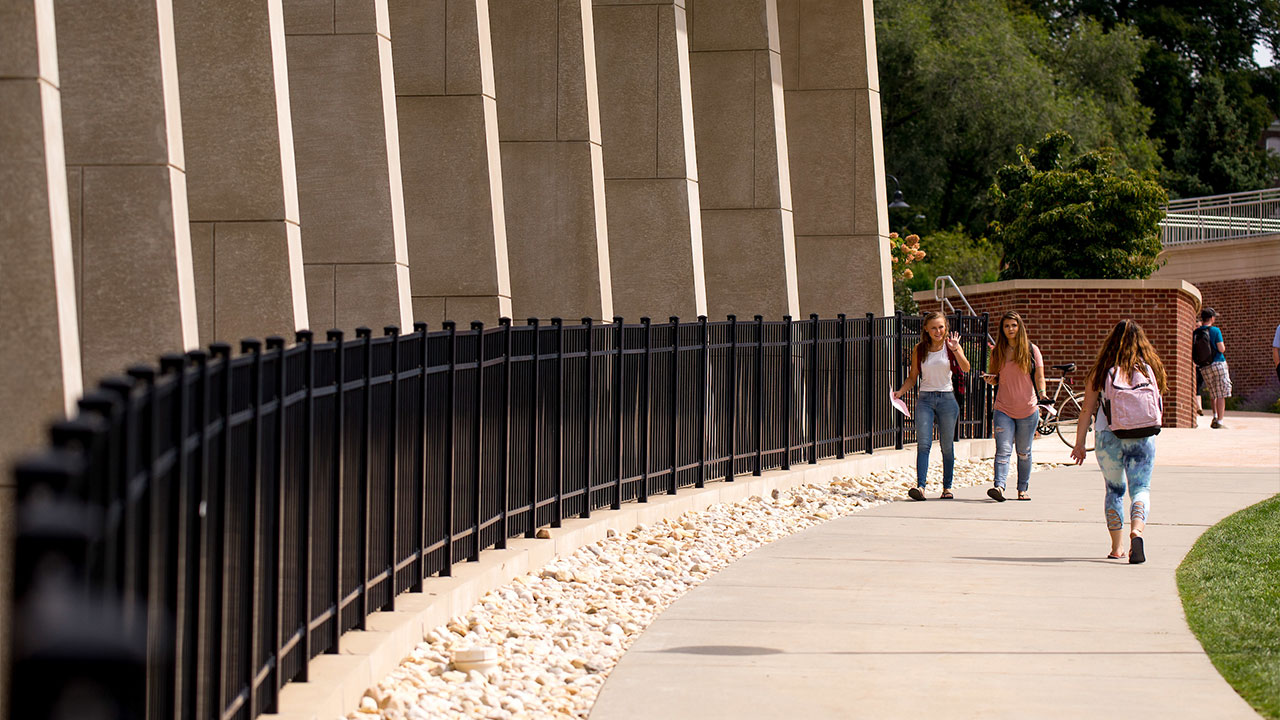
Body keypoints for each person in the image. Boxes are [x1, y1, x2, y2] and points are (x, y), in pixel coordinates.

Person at [1071, 320, 1167, 564]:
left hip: (1107, 436)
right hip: (1143, 435)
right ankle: (1138, 530)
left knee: (1114, 491)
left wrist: (1079, 444)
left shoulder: (1101, 370)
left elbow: (1086, 411)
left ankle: (1117, 547)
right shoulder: (1149, 368)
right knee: (1141, 489)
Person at [894, 312, 971, 500]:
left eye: (941, 327)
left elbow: (966, 368)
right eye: (934, 328)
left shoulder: (951, 347)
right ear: (926, 330)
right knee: (924, 444)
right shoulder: (920, 349)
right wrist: (900, 392)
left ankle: (947, 487)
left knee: (946, 446)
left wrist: (956, 350)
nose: (938, 331)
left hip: (947, 399)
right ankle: (920, 486)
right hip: (925, 399)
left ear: (946, 328)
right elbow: (913, 377)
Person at [982, 311, 1046, 502]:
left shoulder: (1031, 350)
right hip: (1003, 409)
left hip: (1028, 409)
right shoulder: (997, 352)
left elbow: (1039, 376)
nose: (1010, 329)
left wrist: (1042, 395)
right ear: (1002, 329)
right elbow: (995, 378)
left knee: (1024, 452)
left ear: (1020, 327)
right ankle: (999, 486)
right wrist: (990, 379)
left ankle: (1022, 489)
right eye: (1007, 326)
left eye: (1014, 325)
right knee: (1003, 450)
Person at [1197, 308, 1231, 428]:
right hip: (1218, 363)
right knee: (1221, 392)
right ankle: (1220, 421)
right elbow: (1221, 348)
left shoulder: (1196, 332)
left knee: (1213, 392)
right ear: (1212, 318)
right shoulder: (1215, 330)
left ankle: (1215, 416)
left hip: (1205, 367)